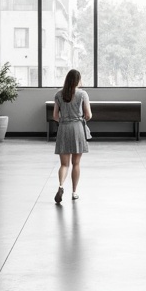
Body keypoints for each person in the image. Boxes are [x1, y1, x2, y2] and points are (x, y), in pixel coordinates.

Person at [52, 68, 91, 204]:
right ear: (78, 80)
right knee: (76, 163)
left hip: (63, 128)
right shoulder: (82, 94)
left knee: (64, 164)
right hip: (77, 129)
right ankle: (74, 192)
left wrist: (64, 121)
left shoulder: (58, 94)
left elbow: (55, 116)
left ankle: (61, 186)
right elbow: (88, 115)